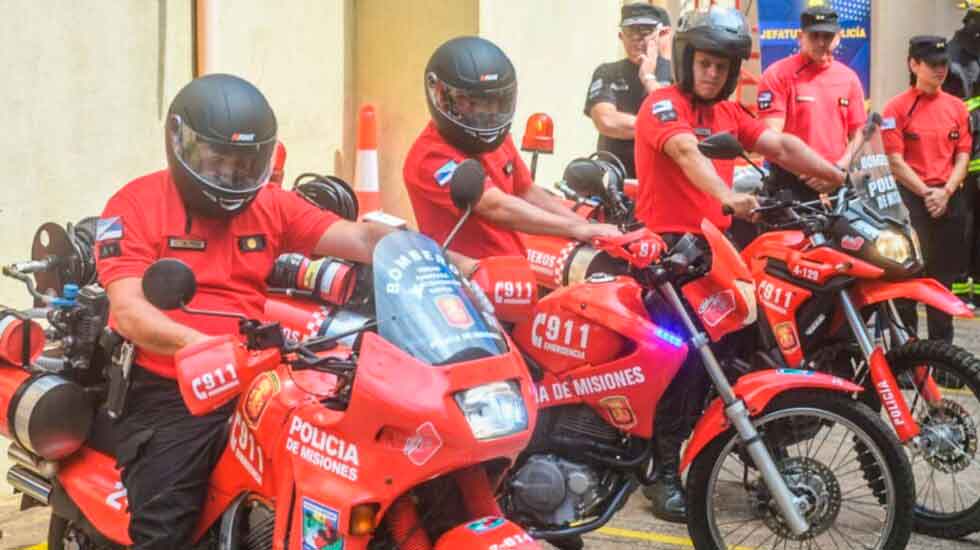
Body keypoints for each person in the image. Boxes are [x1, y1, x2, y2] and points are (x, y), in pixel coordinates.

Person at [95, 74, 463, 549]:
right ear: (180, 145)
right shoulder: (136, 204)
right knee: (164, 530)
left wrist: (451, 263)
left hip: (261, 375)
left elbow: (361, 238)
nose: (230, 175)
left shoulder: (271, 205)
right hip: (173, 387)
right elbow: (128, 310)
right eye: (218, 160)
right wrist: (204, 348)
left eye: (244, 164)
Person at [634, 6, 847, 522]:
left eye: (721, 66)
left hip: (715, 257)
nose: (712, 73)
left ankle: (755, 461)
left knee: (750, 357)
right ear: (687, 61)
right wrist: (728, 196)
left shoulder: (729, 114)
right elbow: (686, 153)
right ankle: (660, 473)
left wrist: (835, 175)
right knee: (691, 359)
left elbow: (778, 142)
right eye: (704, 63)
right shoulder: (662, 105)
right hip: (666, 255)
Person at [404, 36, 620, 261]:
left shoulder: (497, 138)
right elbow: (495, 205)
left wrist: (586, 227)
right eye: (470, 102)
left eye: (493, 103)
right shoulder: (430, 156)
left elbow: (526, 190)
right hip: (464, 282)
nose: (485, 113)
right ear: (440, 97)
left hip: (512, 275)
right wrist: (574, 229)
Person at [885, 36, 971, 344]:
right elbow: (895, 161)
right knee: (907, 280)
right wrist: (926, 193)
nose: (940, 70)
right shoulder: (897, 108)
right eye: (933, 65)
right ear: (914, 65)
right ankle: (909, 360)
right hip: (912, 202)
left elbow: (963, 154)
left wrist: (946, 192)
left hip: (948, 199)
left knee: (942, 281)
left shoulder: (957, 108)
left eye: (943, 64)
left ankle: (943, 356)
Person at [756, 3, 867, 202]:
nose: (821, 42)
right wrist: (813, 171)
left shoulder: (849, 78)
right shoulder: (777, 75)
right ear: (800, 37)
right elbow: (770, 140)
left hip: (838, 181)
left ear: (838, 38)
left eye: (827, 36)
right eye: (814, 36)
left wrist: (839, 169)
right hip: (791, 183)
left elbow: (859, 134)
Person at [584, 2, 674, 178]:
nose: (636, 38)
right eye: (630, 32)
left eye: (645, 31)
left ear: (660, 33)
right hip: (615, 177)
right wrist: (660, 128)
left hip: (662, 177)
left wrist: (648, 77)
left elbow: (683, 126)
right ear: (620, 36)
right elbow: (607, 121)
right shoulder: (607, 72)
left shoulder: (677, 74)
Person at [945, 4, 980, 296]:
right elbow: (955, 112)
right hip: (965, 158)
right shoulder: (953, 59)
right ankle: (957, 287)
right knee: (964, 221)